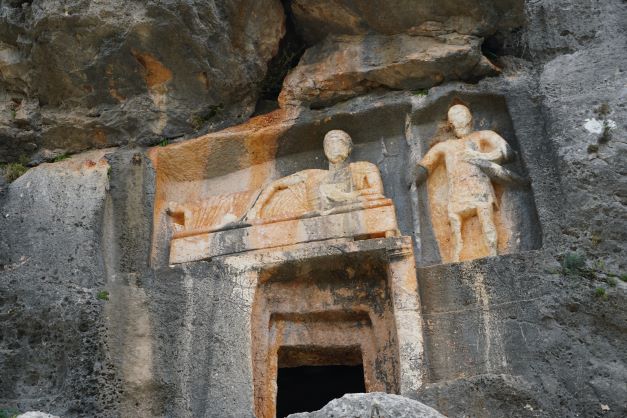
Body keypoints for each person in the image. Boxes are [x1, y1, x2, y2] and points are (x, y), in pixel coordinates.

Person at [408, 104, 526, 261]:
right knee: (455, 231)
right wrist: (414, 178)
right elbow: (426, 164)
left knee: (487, 224)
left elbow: (507, 152)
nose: (461, 127)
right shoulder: (445, 146)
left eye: (464, 123)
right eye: (456, 124)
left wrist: (479, 156)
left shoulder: (483, 135)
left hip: (479, 188)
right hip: (456, 193)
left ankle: (494, 256)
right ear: (451, 125)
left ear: (470, 120)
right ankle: (455, 261)